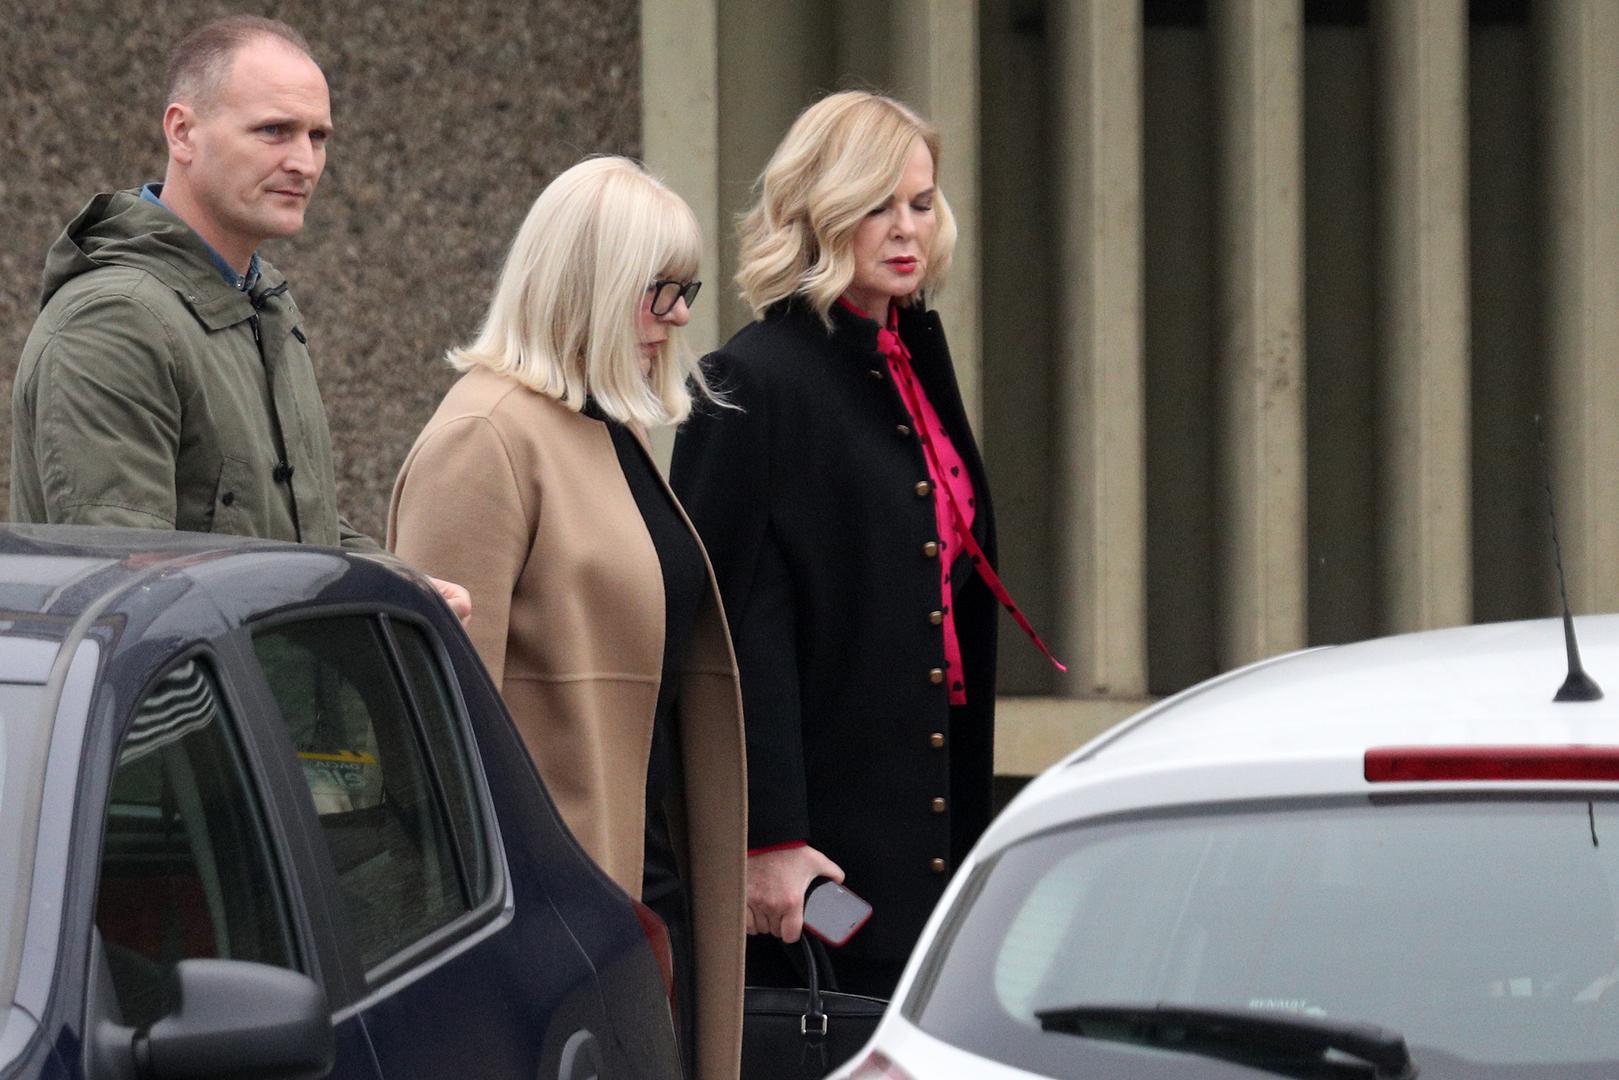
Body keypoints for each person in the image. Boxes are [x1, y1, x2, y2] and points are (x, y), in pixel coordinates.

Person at [672, 91, 1061, 999]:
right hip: (818, 841)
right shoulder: (751, 379)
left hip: (927, 812)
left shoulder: (910, 357)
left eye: (920, 203)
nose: (905, 228)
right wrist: (765, 837)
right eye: (876, 204)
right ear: (818, 211)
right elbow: (721, 627)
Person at [389, 156, 746, 1079]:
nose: (677, 318)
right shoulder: (486, 436)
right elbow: (441, 740)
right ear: (586, 283)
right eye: (657, 291)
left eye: (685, 291)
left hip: (644, 891)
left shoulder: (606, 428)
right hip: (558, 926)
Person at [10, 15, 468, 622]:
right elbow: (124, 599)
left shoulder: (261, 300)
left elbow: (296, 530)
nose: (305, 162)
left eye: (318, 136)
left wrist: (404, 588)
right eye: (274, 130)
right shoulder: (114, 324)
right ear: (182, 132)